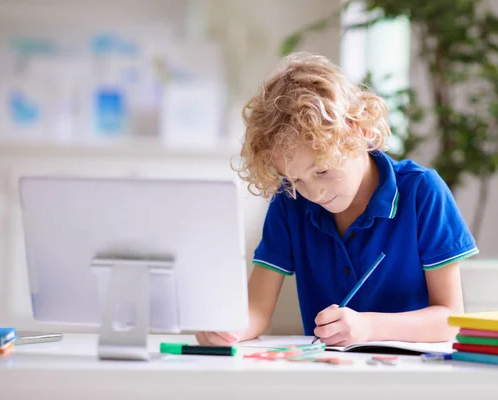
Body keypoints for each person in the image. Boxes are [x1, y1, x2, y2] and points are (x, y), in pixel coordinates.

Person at [196, 53, 478, 347]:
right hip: (327, 374)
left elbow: (449, 319)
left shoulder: (422, 192)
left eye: (322, 170)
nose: (314, 193)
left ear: (359, 130)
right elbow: (257, 309)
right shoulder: (289, 200)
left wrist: (368, 326)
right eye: (296, 180)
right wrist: (229, 329)